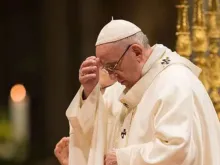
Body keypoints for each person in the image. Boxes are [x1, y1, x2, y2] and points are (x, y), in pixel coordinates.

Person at [64, 19, 220, 165]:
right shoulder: (124, 84)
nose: (111, 75)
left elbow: (177, 149)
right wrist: (90, 91)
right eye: (106, 68)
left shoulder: (174, 82)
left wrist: (124, 158)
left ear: (137, 52)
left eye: (113, 66)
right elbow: (93, 132)